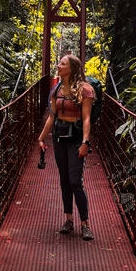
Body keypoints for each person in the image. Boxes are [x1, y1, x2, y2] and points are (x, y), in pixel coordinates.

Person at [38, 54, 94, 240]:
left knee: (75, 181)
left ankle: (85, 223)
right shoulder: (56, 90)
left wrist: (86, 142)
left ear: (72, 68)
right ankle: (69, 219)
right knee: (64, 179)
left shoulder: (85, 90)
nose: (58, 65)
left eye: (63, 63)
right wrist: (41, 138)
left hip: (77, 137)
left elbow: (86, 118)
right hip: (59, 137)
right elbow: (52, 117)